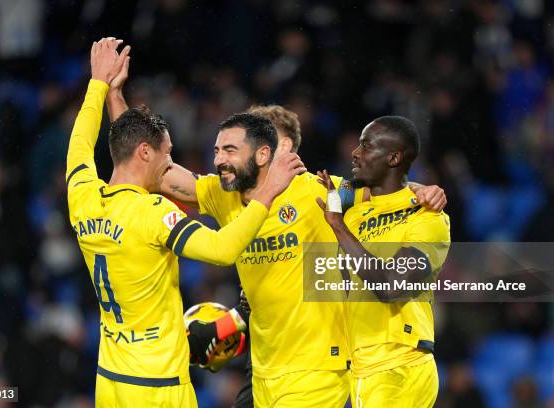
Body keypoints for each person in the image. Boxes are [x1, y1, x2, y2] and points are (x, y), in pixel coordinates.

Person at [105, 60, 447, 407]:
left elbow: (385, 189)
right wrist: (114, 96)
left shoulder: (317, 191)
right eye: (217, 151)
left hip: (319, 370)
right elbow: (147, 165)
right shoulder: (223, 195)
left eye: (230, 151)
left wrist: (425, 190)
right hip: (263, 368)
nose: (220, 160)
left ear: (266, 151)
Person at [66, 38, 305, 407]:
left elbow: (82, 141)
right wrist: (268, 192)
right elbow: (223, 250)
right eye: (168, 152)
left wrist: (101, 87)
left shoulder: (81, 193)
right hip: (157, 384)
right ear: (147, 152)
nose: (171, 161)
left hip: (110, 379)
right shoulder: (154, 213)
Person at [317, 116, 451, 407]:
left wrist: (338, 227)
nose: (355, 152)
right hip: (362, 365)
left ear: (393, 157)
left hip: (398, 364)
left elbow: (392, 287)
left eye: (366, 146)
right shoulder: (352, 211)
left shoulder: (427, 217)